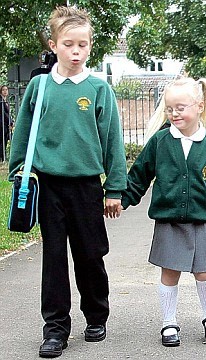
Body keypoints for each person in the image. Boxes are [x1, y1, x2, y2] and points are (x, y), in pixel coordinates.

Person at [8, 6, 127, 358]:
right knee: (54, 257)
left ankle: (96, 316)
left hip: (87, 185)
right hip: (47, 186)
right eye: (69, 44)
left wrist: (114, 188)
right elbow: (23, 131)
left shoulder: (98, 88)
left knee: (90, 255)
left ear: (90, 47)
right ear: (54, 44)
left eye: (83, 45)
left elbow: (112, 141)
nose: (76, 52)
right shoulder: (39, 85)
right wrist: (20, 170)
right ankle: (56, 328)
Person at [120, 77, 206, 347]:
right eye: (170, 108)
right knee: (169, 273)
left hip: (199, 221)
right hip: (168, 221)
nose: (175, 113)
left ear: (200, 106)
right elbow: (139, 176)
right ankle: (169, 322)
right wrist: (122, 199)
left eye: (181, 107)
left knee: (203, 272)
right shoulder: (160, 141)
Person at [1, 85, 11, 162]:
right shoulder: (1, 100)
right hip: (2, 124)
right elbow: (3, 113)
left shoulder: (5, 100)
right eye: (3, 90)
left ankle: (3, 157)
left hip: (5, 124)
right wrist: (10, 121)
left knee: (5, 140)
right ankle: (2, 158)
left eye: (6, 89)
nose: (5, 91)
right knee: (2, 140)